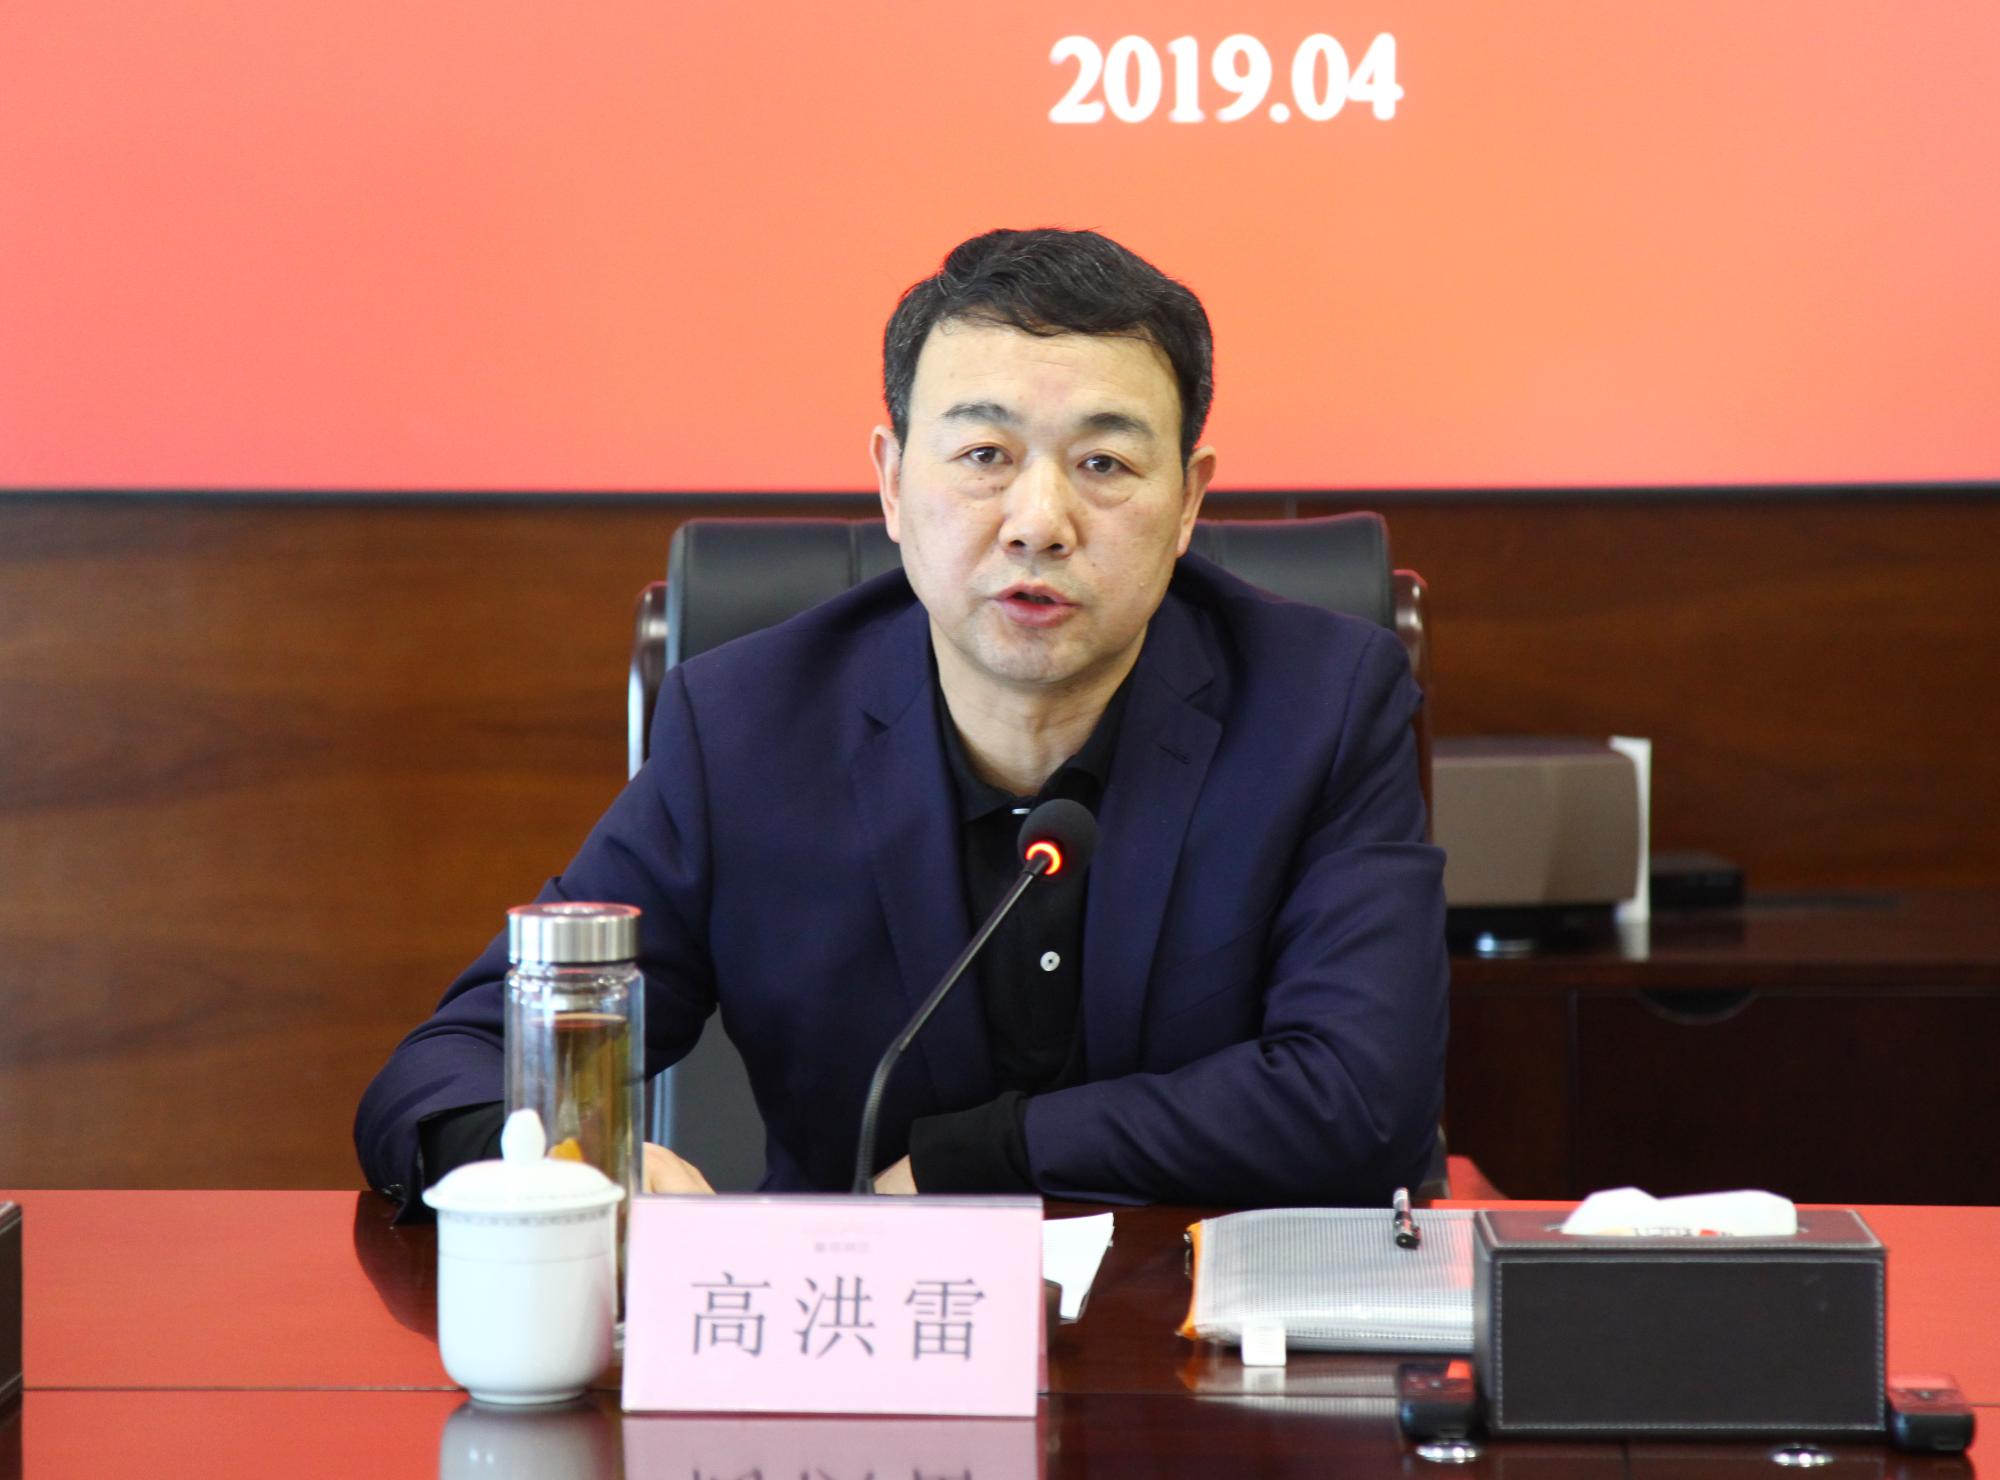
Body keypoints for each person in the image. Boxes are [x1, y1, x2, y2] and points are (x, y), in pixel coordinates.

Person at [355, 227, 1447, 1211]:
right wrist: (576, 1164)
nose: (1038, 522)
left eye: (1104, 464)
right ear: (889, 482)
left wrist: (981, 1158)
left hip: (1200, 1336)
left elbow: (1363, 1103)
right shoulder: (748, 732)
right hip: (857, 1340)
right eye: (983, 457)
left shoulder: (1318, 707)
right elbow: (448, 1069)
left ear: (1189, 501)